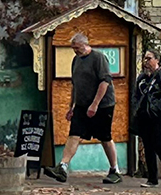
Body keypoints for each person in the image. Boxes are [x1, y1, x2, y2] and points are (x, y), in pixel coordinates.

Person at [45, 32, 122, 183]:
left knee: (105, 137)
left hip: (103, 105)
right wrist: (71, 107)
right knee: (74, 134)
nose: (75, 50)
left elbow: (105, 82)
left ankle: (115, 170)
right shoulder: (76, 60)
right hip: (81, 105)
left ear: (85, 45)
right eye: (73, 48)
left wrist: (95, 104)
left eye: (77, 47)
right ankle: (62, 167)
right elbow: (75, 84)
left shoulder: (98, 58)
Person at [131, 50, 161, 188]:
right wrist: (137, 109)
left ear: (157, 60)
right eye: (144, 59)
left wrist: (155, 108)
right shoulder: (141, 78)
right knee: (148, 145)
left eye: (149, 59)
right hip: (145, 115)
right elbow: (136, 95)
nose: (146, 62)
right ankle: (152, 179)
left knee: (158, 142)